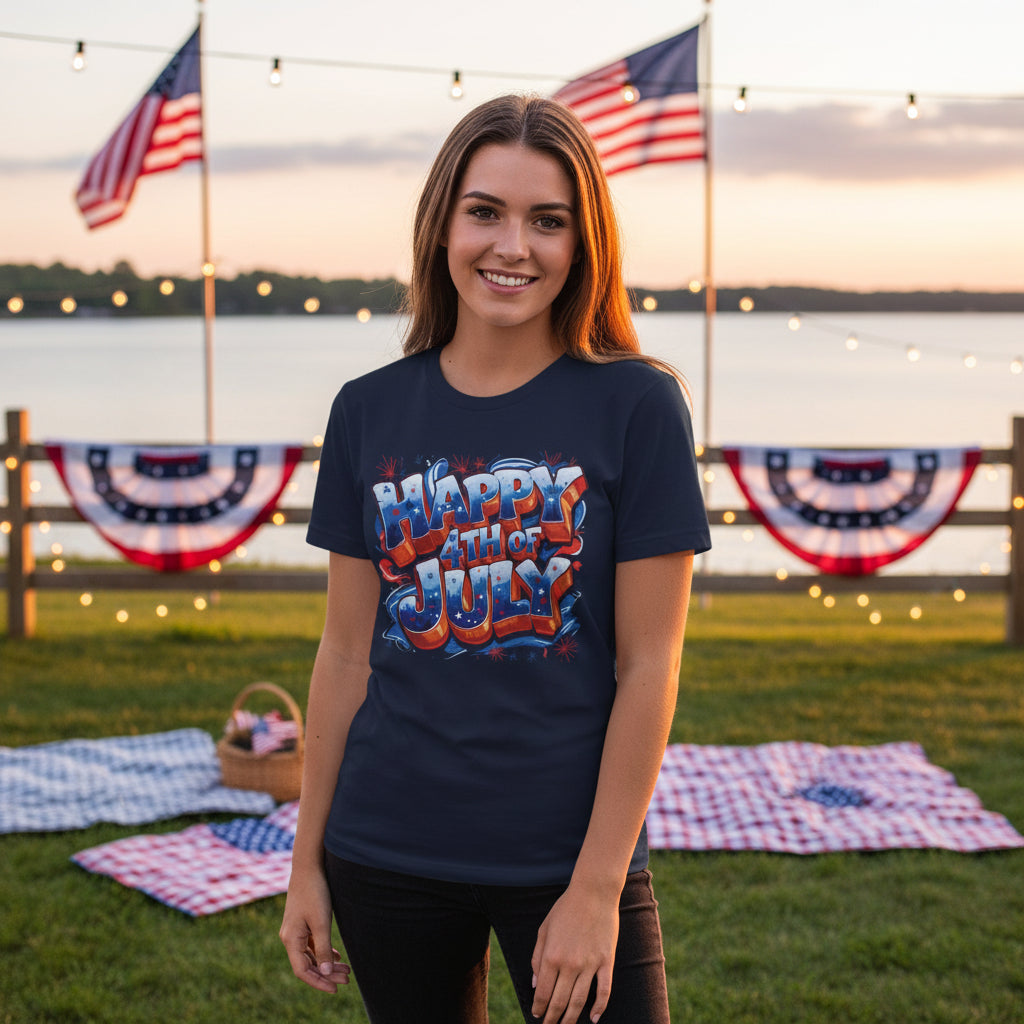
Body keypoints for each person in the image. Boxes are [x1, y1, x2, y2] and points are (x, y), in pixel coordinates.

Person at [279, 93, 711, 1024]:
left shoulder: (637, 406)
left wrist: (597, 889)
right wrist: (305, 860)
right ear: (443, 225)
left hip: (568, 854)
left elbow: (649, 665)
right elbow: (346, 655)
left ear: (581, 241)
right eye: (486, 211)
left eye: (547, 221)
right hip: (385, 849)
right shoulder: (367, 410)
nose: (512, 246)